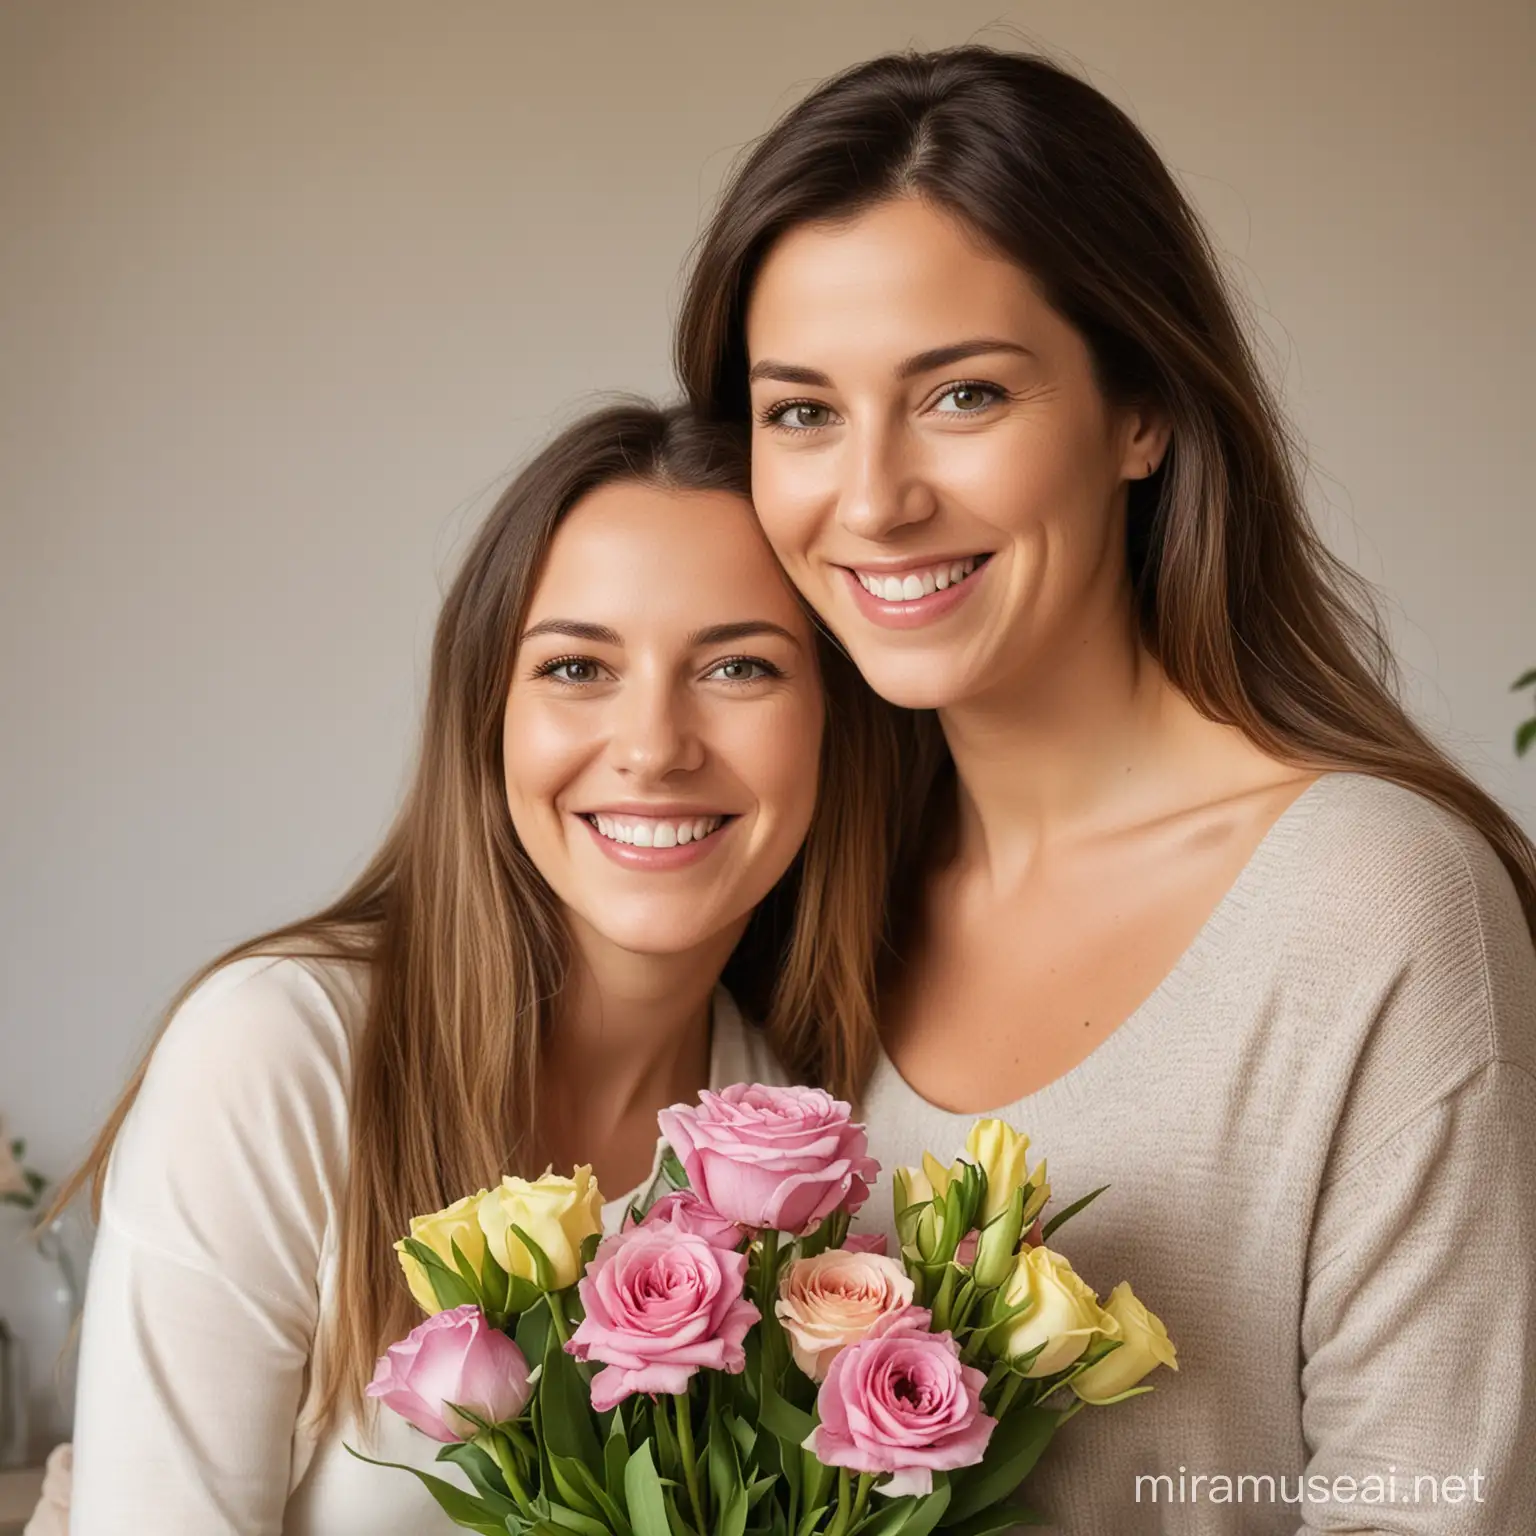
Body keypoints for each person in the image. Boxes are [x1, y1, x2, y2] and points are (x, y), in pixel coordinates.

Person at [675, 46, 1536, 1534]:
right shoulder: (791, 894)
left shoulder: (1376, 906)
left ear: (1138, 412)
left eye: (961, 394)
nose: (872, 499)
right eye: (802, 412)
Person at [45, 403, 906, 1534]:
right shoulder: (277, 1055)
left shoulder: (815, 1159)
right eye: (577, 666)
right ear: (486, 715)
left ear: (833, 720)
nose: (653, 745)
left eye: (739, 665)